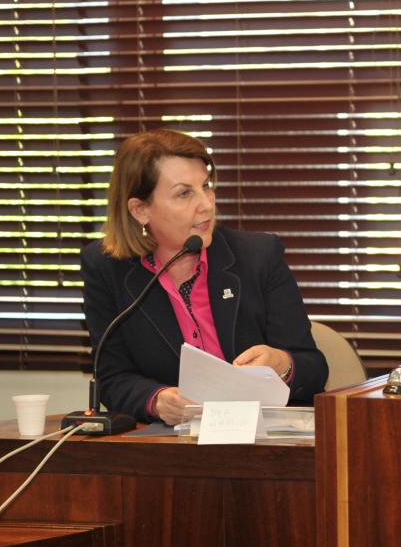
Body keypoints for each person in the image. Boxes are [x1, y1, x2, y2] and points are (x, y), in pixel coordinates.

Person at [81, 129, 328, 424]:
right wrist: (156, 400)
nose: (207, 204)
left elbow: (314, 368)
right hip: (174, 439)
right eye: (184, 193)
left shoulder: (258, 257)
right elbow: (112, 376)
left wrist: (281, 364)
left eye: (206, 186)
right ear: (140, 210)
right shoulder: (107, 268)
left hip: (264, 433)